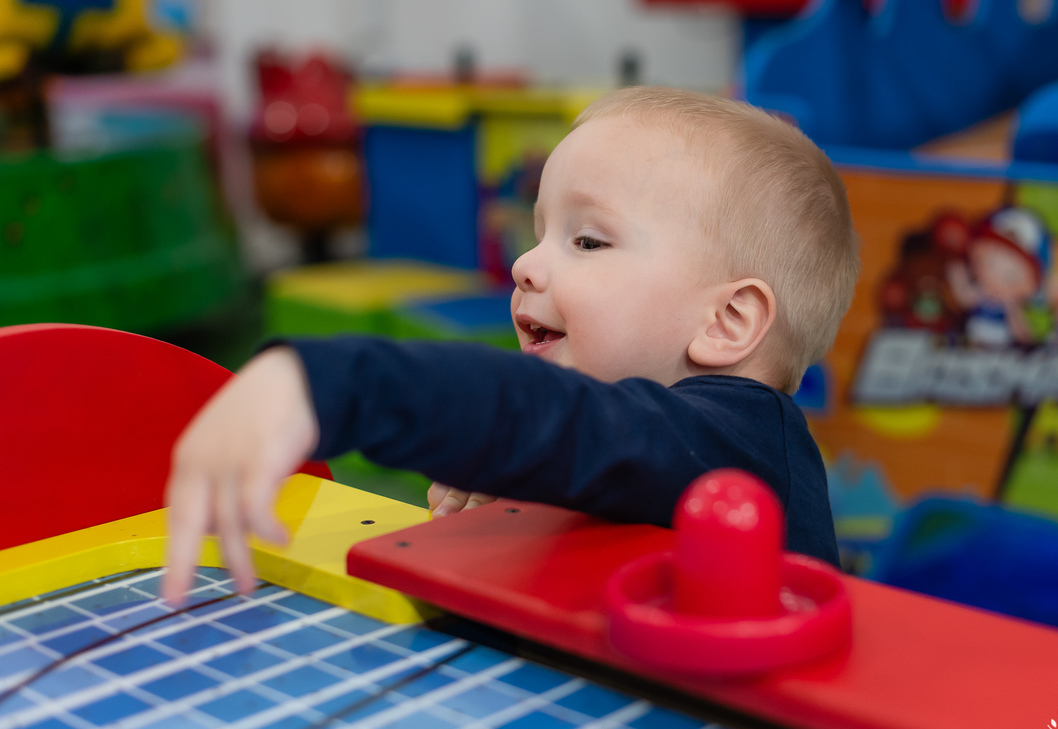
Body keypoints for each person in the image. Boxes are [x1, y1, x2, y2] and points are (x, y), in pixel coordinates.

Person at [161, 87, 861, 606]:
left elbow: (567, 423)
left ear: (728, 321)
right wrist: (523, 496)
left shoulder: (741, 440)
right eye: (540, 232)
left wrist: (327, 382)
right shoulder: (655, 452)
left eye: (587, 240)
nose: (528, 264)